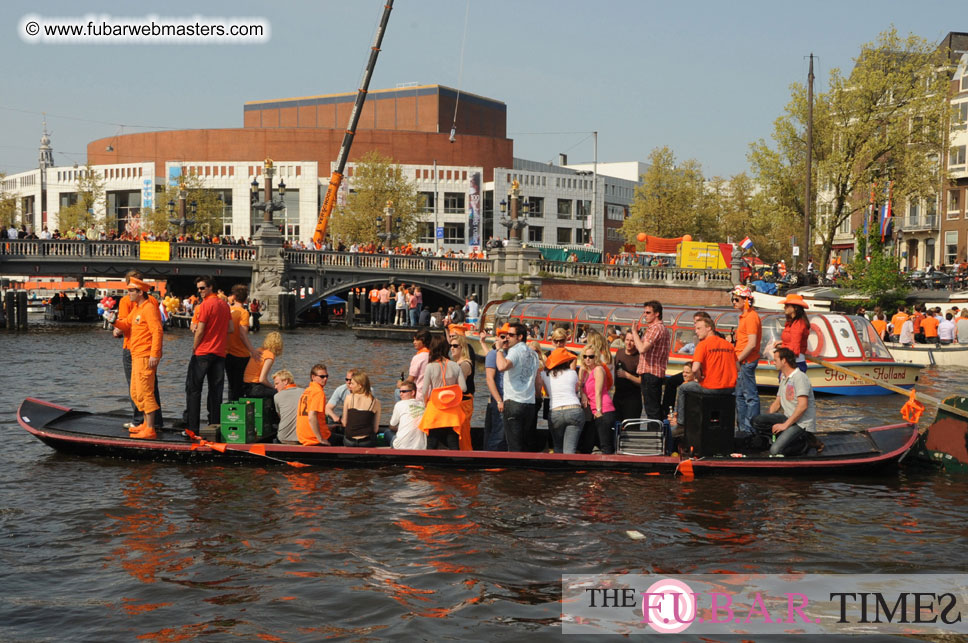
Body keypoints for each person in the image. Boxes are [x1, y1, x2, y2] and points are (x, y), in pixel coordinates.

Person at [105, 277, 163, 439]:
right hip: (136, 354)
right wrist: (114, 321)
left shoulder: (148, 308)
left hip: (145, 355)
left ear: (140, 292)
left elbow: (157, 331)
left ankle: (150, 428)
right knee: (136, 392)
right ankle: (145, 423)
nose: (128, 293)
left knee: (146, 390)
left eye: (131, 291)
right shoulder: (137, 309)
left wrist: (155, 354)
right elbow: (126, 326)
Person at [751, 347, 820, 457]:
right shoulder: (784, 377)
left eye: (776, 360)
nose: (774, 363)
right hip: (789, 418)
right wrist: (765, 418)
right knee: (756, 420)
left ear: (784, 361)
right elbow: (777, 403)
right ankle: (782, 437)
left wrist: (784, 425)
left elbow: (803, 406)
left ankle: (806, 442)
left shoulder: (799, 377)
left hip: (801, 423)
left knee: (775, 451)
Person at [186, 276, 232, 433]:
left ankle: (192, 428)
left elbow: (200, 330)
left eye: (202, 288)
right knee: (216, 391)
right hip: (219, 353)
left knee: (193, 390)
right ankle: (214, 427)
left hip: (203, 352)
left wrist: (194, 347)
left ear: (211, 287)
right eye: (198, 289)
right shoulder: (225, 305)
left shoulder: (206, 305)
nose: (199, 292)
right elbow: (230, 328)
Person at [675, 316, 738, 430]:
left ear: (709, 328)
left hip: (712, 388)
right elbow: (738, 368)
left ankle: (681, 424)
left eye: (699, 328)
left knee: (684, 389)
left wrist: (699, 379)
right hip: (730, 388)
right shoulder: (728, 345)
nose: (696, 331)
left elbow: (694, 369)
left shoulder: (703, 345)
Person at [495, 322, 540, 452]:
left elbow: (502, 366)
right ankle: (525, 471)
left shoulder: (514, 351)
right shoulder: (534, 354)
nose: (507, 337)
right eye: (506, 335)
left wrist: (499, 350)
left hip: (514, 402)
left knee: (514, 446)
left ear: (520, 337)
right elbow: (538, 380)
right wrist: (538, 398)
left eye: (511, 335)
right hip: (530, 403)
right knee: (526, 444)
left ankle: (515, 471)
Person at [419, 334, 467, 449]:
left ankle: (430, 465)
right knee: (453, 444)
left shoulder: (430, 367)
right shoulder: (455, 366)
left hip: (435, 409)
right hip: (452, 410)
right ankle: (456, 465)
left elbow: (424, 391)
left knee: (432, 443)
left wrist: (425, 403)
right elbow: (464, 388)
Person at [632, 300, 672, 422]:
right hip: (655, 373)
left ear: (657, 314)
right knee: (654, 408)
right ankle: (658, 434)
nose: (645, 315)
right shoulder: (662, 329)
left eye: (648, 312)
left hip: (650, 373)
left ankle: (655, 435)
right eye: (645, 312)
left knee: (652, 410)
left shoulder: (655, 328)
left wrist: (634, 333)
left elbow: (642, 348)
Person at [539, 348, 582, 453]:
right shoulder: (572, 373)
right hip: (574, 409)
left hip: (555, 411)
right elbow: (576, 390)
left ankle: (559, 468)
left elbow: (548, 393)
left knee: (558, 448)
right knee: (570, 450)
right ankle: (570, 468)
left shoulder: (545, 374)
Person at [732, 285, 761, 436]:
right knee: (740, 396)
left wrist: (737, 359)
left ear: (746, 300)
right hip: (742, 361)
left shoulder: (751, 317)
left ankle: (750, 429)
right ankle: (743, 428)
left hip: (746, 361)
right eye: (733, 299)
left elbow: (751, 343)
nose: (733, 302)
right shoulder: (744, 316)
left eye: (736, 299)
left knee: (750, 396)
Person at [578, 343, 616, 454]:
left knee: (605, 445)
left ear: (596, 357)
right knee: (588, 444)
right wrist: (583, 394)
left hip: (603, 409)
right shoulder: (584, 371)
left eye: (591, 356)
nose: (588, 359)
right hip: (593, 411)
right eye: (585, 356)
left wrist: (599, 411)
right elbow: (581, 386)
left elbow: (598, 392)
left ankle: (607, 470)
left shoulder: (598, 370)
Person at [225, 284, 257, 402]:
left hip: (227, 352)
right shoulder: (244, 313)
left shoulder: (228, 310)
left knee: (231, 385)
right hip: (241, 353)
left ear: (233, 296)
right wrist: (252, 351)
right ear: (245, 298)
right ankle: (238, 412)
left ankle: (229, 409)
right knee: (239, 385)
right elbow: (243, 334)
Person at [483, 324, 508, 451]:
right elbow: (489, 379)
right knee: (498, 432)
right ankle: (491, 461)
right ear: (498, 338)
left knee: (506, 434)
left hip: (511, 399)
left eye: (508, 337)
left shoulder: (512, 353)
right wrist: (498, 400)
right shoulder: (493, 354)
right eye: (502, 337)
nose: (505, 339)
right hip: (500, 399)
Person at [341, 370, 382, 448]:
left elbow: (344, 423)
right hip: (366, 442)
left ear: (360, 385)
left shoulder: (349, 398)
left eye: (352, 383)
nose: (350, 385)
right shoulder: (376, 402)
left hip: (350, 441)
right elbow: (376, 429)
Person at [450, 333, 476, 450]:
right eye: (451, 346)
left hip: (464, 402)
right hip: (458, 402)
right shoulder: (456, 363)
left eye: (455, 346)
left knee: (463, 430)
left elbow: (459, 386)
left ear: (462, 348)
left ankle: (465, 453)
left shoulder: (465, 364)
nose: (452, 348)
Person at [772, 293, 810, 372]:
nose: (784, 307)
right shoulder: (793, 323)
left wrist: (781, 346)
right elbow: (793, 341)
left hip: (794, 364)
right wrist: (783, 343)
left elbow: (794, 350)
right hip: (791, 362)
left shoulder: (798, 324)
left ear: (795, 308)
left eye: (787, 305)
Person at [296, 364, 330, 446]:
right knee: (344, 440)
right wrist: (320, 439)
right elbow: (311, 417)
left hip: (303, 437)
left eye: (326, 376)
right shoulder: (318, 392)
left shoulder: (307, 391)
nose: (325, 379)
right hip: (314, 438)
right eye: (322, 377)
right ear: (313, 377)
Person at [613, 331, 642, 423]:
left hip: (632, 399)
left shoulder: (640, 357)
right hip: (618, 396)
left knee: (630, 428)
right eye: (627, 340)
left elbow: (641, 382)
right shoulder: (619, 352)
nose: (628, 343)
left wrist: (627, 375)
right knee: (615, 426)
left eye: (632, 341)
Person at [390, 381, 427, 450]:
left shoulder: (399, 404)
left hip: (401, 447)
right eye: (400, 391)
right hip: (420, 447)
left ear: (413, 393)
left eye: (404, 391)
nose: (400, 394)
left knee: (387, 433)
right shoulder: (423, 405)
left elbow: (392, 425)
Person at [272, 369, 301, 445]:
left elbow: (281, 417)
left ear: (285, 381)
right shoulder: (305, 392)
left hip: (283, 438)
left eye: (277, 383)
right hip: (302, 437)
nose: (275, 387)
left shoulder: (277, 396)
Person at [405, 329, 432, 402]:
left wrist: (401, 384)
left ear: (423, 341)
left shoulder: (418, 357)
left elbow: (410, 379)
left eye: (416, 340)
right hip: (432, 394)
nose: (414, 342)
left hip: (420, 394)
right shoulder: (434, 355)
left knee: (398, 392)